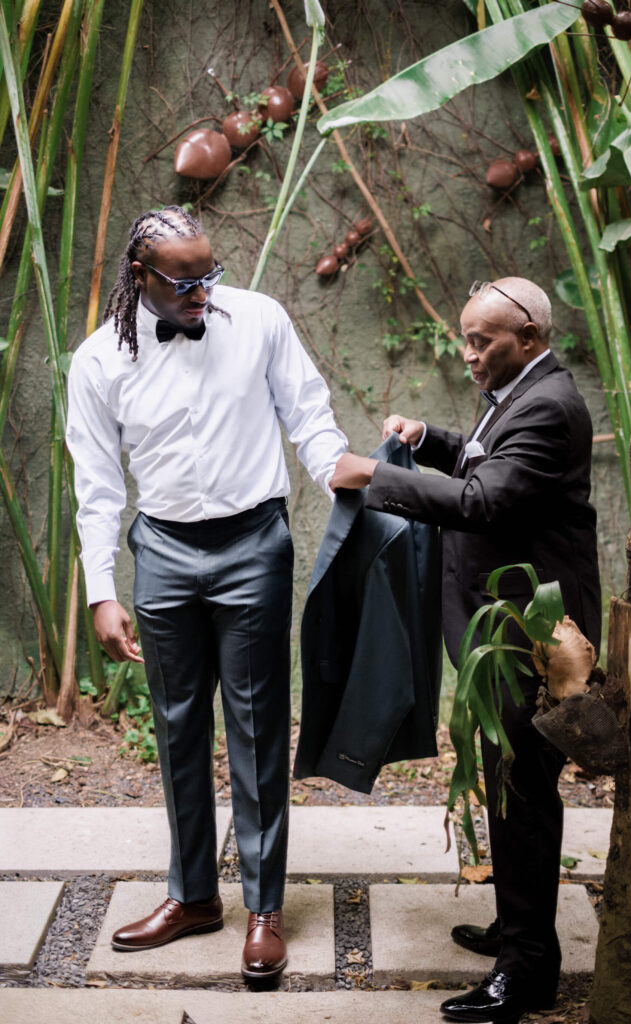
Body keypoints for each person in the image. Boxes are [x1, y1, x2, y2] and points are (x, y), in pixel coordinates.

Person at [66, 206, 347, 980]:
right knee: (176, 725)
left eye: (208, 274)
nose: (201, 293)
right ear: (140, 276)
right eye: (183, 281)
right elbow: (96, 488)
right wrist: (100, 589)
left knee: (256, 727)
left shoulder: (258, 320)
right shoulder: (96, 363)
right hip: (160, 552)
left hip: (252, 544)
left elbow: (309, 418)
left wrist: (339, 470)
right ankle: (193, 897)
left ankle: (262, 907)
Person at [330, 277, 601, 1023]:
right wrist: (434, 440)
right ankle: (519, 929)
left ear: (530, 338)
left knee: (520, 799)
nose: (469, 353)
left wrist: (376, 476)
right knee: (506, 788)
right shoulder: (522, 391)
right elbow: (487, 462)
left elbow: (487, 500)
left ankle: (528, 971)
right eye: (466, 338)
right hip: (496, 631)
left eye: (482, 341)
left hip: (528, 637)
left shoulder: (548, 405)